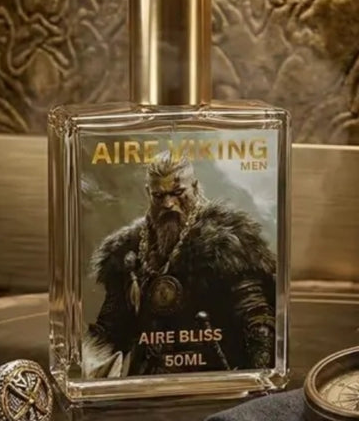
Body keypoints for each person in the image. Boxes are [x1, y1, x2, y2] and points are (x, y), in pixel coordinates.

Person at [84, 151, 276, 377]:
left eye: (177, 193)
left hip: (213, 377)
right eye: (159, 196)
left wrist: (257, 379)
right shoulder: (129, 247)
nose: (168, 203)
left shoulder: (227, 241)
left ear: (194, 187)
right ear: (148, 193)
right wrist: (87, 359)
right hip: (147, 380)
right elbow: (111, 327)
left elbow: (256, 318)